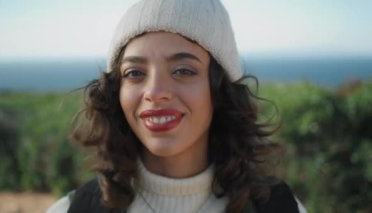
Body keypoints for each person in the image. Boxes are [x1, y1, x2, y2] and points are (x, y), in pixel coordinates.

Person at [48, 0, 306, 212]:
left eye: (183, 70)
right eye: (135, 73)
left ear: (219, 89)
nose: (156, 93)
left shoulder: (278, 207)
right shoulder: (73, 209)